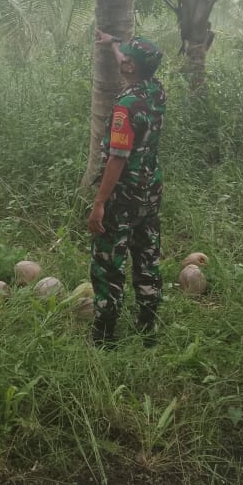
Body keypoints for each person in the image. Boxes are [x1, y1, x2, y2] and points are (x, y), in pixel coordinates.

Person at [88, 31, 166, 347]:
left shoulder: (125, 107)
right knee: (147, 259)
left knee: (108, 265)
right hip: (150, 193)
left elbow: (117, 159)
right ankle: (149, 329)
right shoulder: (156, 92)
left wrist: (99, 204)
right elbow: (130, 60)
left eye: (126, 59)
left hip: (122, 197)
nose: (122, 61)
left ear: (132, 67)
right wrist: (113, 42)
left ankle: (105, 337)